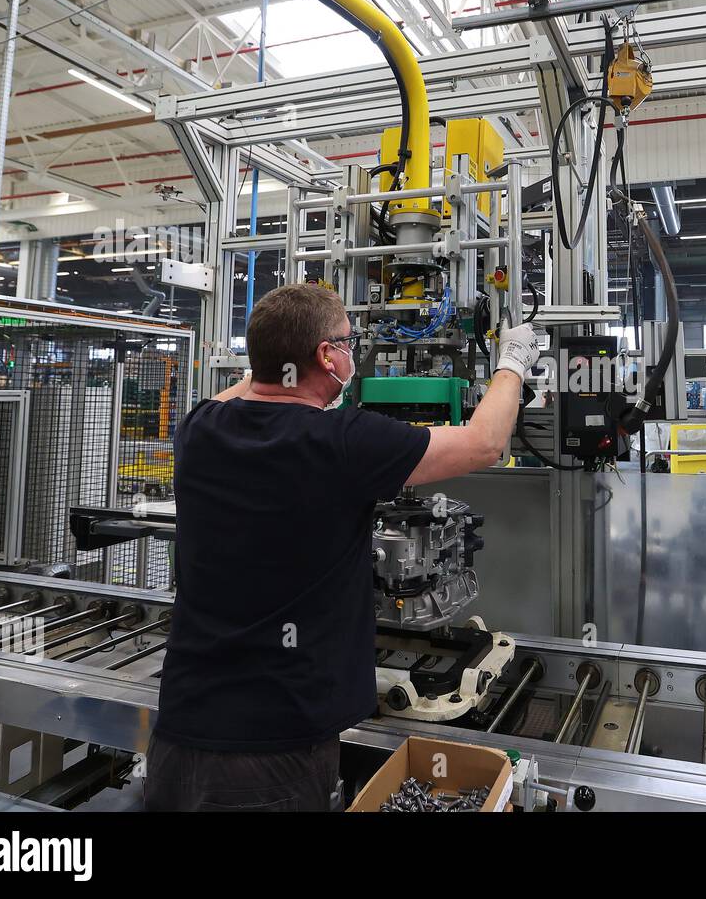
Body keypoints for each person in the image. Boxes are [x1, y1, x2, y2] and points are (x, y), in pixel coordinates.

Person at [142, 283, 539, 811]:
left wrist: (274, 354)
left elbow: (247, 387)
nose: (353, 354)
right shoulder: (344, 443)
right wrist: (512, 363)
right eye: (348, 344)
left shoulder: (200, 428)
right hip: (274, 752)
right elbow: (484, 443)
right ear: (327, 356)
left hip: (179, 730)